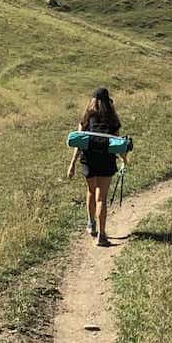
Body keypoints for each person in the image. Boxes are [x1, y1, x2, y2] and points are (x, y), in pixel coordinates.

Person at [68, 87, 122, 247]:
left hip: (88, 160)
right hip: (106, 161)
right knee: (101, 199)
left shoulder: (86, 117)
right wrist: (123, 159)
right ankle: (102, 235)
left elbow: (78, 143)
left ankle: (91, 224)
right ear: (108, 101)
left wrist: (72, 165)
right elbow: (116, 143)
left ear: (92, 100)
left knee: (91, 191)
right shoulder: (113, 119)